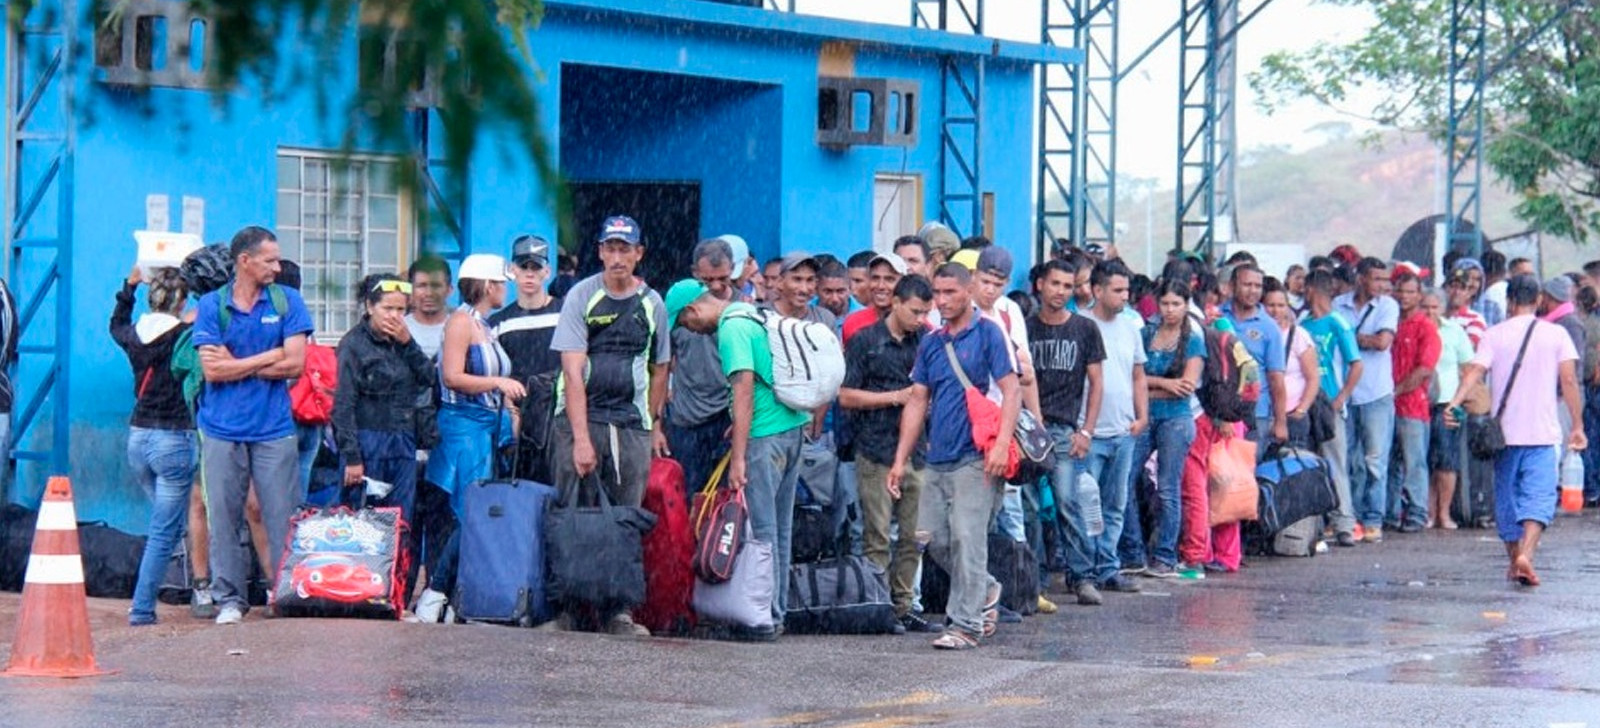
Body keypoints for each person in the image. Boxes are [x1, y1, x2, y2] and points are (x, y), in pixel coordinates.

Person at [548, 215, 670, 636]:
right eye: (610, 248)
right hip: (581, 420)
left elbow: (660, 367)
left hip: (631, 425)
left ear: (639, 253)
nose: (617, 257)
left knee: (624, 515)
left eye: (626, 249)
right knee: (572, 512)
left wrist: (653, 424)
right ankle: (567, 607)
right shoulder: (581, 296)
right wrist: (582, 439)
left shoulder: (653, 303)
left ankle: (618, 611)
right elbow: (572, 369)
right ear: (600, 251)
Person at [887, 262, 1018, 650]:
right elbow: (917, 401)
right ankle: (986, 588)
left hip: (976, 456)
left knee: (967, 537)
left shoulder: (989, 334)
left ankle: (965, 625)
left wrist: (999, 445)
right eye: (936, 294)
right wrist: (900, 460)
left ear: (969, 290)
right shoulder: (931, 342)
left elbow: (1011, 391)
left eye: (950, 293)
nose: (941, 301)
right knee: (929, 537)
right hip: (936, 457)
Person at [673, 279, 810, 641]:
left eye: (686, 323)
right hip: (793, 428)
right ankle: (776, 612)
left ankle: (761, 619)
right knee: (781, 529)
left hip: (765, 438)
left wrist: (738, 457)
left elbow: (744, 390)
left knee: (763, 532)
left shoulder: (731, 330)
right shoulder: (753, 314)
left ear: (693, 310)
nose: (691, 331)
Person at [191, 226, 314, 625]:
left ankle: (284, 594)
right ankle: (229, 599)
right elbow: (212, 371)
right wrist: (267, 357)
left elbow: (295, 364)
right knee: (222, 515)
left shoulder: (288, 300)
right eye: (270, 260)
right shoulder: (212, 305)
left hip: (273, 428)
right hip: (220, 428)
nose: (277, 267)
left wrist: (236, 364)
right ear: (244, 261)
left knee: (282, 515)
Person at [1445, 275, 1586, 587]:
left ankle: (1514, 558)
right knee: (1539, 495)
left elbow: (1475, 373)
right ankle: (1527, 554)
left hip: (1504, 435)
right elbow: (1569, 381)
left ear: (1509, 301)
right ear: (1537, 301)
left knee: (1507, 496)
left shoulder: (1494, 335)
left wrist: (1454, 403)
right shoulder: (1556, 334)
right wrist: (1577, 425)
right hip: (1543, 433)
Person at [412, 253, 525, 624]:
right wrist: (497, 383)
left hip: (488, 426)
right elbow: (451, 376)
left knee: (481, 512)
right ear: (488, 285)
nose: (506, 288)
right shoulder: (461, 322)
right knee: (470, 513)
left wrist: (508, 409)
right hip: (463, 429)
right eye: (502, 282)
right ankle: (436, 591)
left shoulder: (485, 325)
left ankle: (457, 593)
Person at [839, 275, 938, 633]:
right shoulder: (866, 341)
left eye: (926, 312)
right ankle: (876, 605)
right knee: (877, 535)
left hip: (918, 451)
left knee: (914, 536)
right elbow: (846, 395)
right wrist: (895, 397)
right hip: (875, 447)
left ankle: (903, 605)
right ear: (895, 302)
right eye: (915, 311)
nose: (920, 319)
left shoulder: (927, 340)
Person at [332, 274, 435, 568]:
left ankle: (396, 591)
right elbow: (343, 404)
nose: (395, 317)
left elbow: (429, 378)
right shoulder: (353, 345)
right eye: (388, 309)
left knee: (401, 518)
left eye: (401, 310)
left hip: (402, 440)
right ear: (369, 307)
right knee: (362, 520)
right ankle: (357, 585)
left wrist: (408, 344)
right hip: (367, 441)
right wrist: (351, 456)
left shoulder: (403, 341)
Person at [115, 267, 197, 626]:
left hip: (138, 438)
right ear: (182, 302)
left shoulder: (133, 335)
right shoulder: (185, 336)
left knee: (171, 524)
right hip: (173, 439)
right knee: (165, 531)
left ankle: (189, 580)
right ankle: (142, 608)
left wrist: (129, 286)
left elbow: (115, 322)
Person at [1027, 259, 1105, 604]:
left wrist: (1086, 431)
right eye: (1055, 283)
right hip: (1027, 429)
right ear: (1040, 284)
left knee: (1067, 503)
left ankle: (1082, 576)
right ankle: (1034, 578)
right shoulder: (1025, 328)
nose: (1060, 291)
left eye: (1067, 285)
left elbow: (1096, 383)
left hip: (1063, 430)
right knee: (1029, 508)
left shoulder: (1085, 329)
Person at [1123, 279, 1203, 578]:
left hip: (1177, 421)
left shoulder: (1193, 339)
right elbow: (1135, 380)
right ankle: (1133, 552)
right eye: (1166, 304)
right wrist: (1165, 383)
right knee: (1126, 480)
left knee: (1169, 489)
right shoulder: (1146, 334)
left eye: (1176, 304)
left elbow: (1186, 388)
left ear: (1186, 305)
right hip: (1144, 416)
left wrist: (1148, 386)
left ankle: (1165, 556)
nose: (1170, 310)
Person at [1082, 259, 1147, 591]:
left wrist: (1142, 416)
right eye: (1118, 290)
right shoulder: (1080, 325)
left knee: (1115, 504)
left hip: (1124, 432)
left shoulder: (1131, 327)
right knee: (1084, 505)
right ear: (1097, 290)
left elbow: (1138, 374)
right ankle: (1084, 570)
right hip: (1088, 433)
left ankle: (1108, 567)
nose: (1125, 296)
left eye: (1127, 290)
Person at [662, 239, 736, 498]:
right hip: (686, 420)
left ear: (734, 269)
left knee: (726, 500)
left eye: (723, 279)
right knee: (689, 496)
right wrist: (657, 423)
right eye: (707, 280)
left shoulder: (743, 313)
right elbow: (660, 367)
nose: (716, 286)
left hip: (728, 420)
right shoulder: (679, 309)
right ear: (694, 273)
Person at [488, 235, 563, 482]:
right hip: (517, 423)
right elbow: (493, 376)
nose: (529, 274)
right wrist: (511, 413)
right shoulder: (498, 324)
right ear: (512, 270)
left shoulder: (566, 314)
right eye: (523, 266)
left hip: (560, 418)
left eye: (536, 267)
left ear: (547, 271)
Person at [1335, 257, 1398, 542]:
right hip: (1345, 393)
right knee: (1347, 460)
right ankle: (1349, 516)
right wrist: (1362, 338)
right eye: (1377, 279)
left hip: (1376, 393)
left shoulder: (1388, 306)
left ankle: (1373, 518)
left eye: (1385, 280)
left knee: (1374, 460)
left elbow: (1383, 342)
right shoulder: (1339, 305)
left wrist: (1347, 338)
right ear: (1361, 278)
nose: (1383, 286)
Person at [1299, 269, 1363, 546]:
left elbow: (1356, 363)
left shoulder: (1338, 322)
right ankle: (1315, 523)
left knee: (1335, 460)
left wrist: (1342, 397)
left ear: (1312, 290)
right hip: (1305, 400)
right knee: (1310, 461)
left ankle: (1344, 523)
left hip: (1329, 402)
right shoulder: (1303, 324)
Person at [1386, 271, 1441, 533]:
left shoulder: (1425, 327)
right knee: (1391, 462)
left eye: (1410, 292)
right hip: (1390, 404)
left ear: (1419, 295)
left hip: (1413, 406)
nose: (1404, 296)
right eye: (1401, 291)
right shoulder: (1390, 322)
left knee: (1414, 462)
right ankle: (1393, 512)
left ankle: (1418, 513)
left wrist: (1396, 391)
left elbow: (1425, 369)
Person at [1423, 288, 1473, 529]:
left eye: (1434, 307)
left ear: (1442, 308)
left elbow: (1469, 370)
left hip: (1447, 402)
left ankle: (1444, 512)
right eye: (1426, 307)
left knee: (1446, 460)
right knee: (1425, 460)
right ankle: (1428, 513)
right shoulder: (1414, 328)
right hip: (1419, 402)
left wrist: (1459, 403)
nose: (1430, 312)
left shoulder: (1454, 332)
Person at [1222, 264, 1288, 444]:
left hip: (1256, 413)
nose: (1253, 291)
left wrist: (1280, 421)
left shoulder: (1269, 327)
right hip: (1218, 413)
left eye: (1257, 286)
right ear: (1232, 285)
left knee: (1249, 469)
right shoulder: (1217, 317)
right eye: (1247, 284)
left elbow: (1276, 378)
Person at [1263, 278, 1320, 448]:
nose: (1276, 311)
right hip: (1263, 414)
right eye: (1270, 305)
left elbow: (1313, 378)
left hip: (1292, 415)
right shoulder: (1259, 334)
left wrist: (1301, 410)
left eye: (1281, 305)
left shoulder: (1298, 335)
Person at [841, 253, 907, 345]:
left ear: (903, 283)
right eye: (875, 278)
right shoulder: (853, 322)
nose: (881, 286)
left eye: (889, 279)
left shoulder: (914, 324)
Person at [766, 252, 837, 328]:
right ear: (780, 282)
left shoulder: (825, 319)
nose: (804, 289)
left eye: (810, 280)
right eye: (797, 279)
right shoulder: (762, 318)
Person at [405, 255, 454, 360]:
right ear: (410, 290)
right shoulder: (399, 328)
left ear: (449, 290)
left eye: (436, 286)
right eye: (421, 286)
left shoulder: (461, 329)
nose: (429, 293)